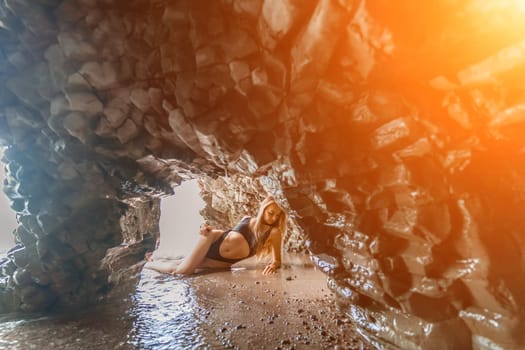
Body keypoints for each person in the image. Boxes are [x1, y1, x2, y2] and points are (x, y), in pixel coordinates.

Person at [144, 196, 287, 276]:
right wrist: (204, 229)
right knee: (181, 270)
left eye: (277, 215)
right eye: (270, 213)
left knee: (180, 266)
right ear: (263, 210)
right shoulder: (247, 219)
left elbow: (277, 260)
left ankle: (152, 259)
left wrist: (274, 265)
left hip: (222, 262)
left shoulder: (274, 233)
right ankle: (149, 264)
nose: (274, 218)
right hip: (212, 239)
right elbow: (229, 234)